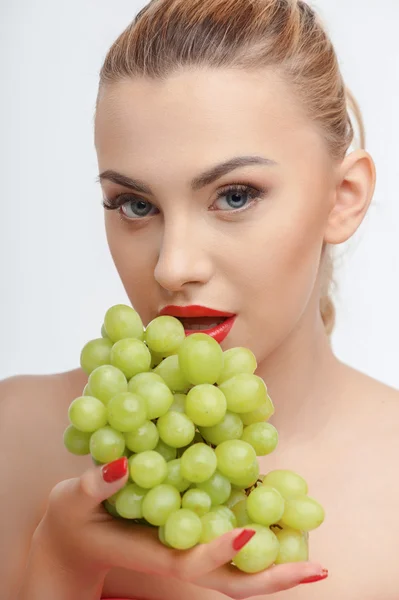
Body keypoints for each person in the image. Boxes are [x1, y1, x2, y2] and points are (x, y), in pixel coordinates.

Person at [1, 0, 398, 598]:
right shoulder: (16, 437)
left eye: (235, 196)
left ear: (342, 198)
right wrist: (61, 562)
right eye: (135, 205)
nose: (172, 266)